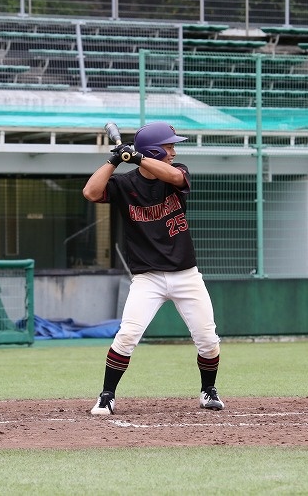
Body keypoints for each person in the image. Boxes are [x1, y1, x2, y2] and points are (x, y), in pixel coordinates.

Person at [82, 121, 224, 415]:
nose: (174, 152)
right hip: (147, 278)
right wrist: (113, 160)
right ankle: (107, 396)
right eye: (169, 147)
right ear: (155, 150)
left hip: (186, 274)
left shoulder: (177, 172)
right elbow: (91, 192)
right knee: (127, 336)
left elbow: (174, 176)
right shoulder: (124, 184)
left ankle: (208, 391)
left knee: (208, 339)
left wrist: (137, 157)